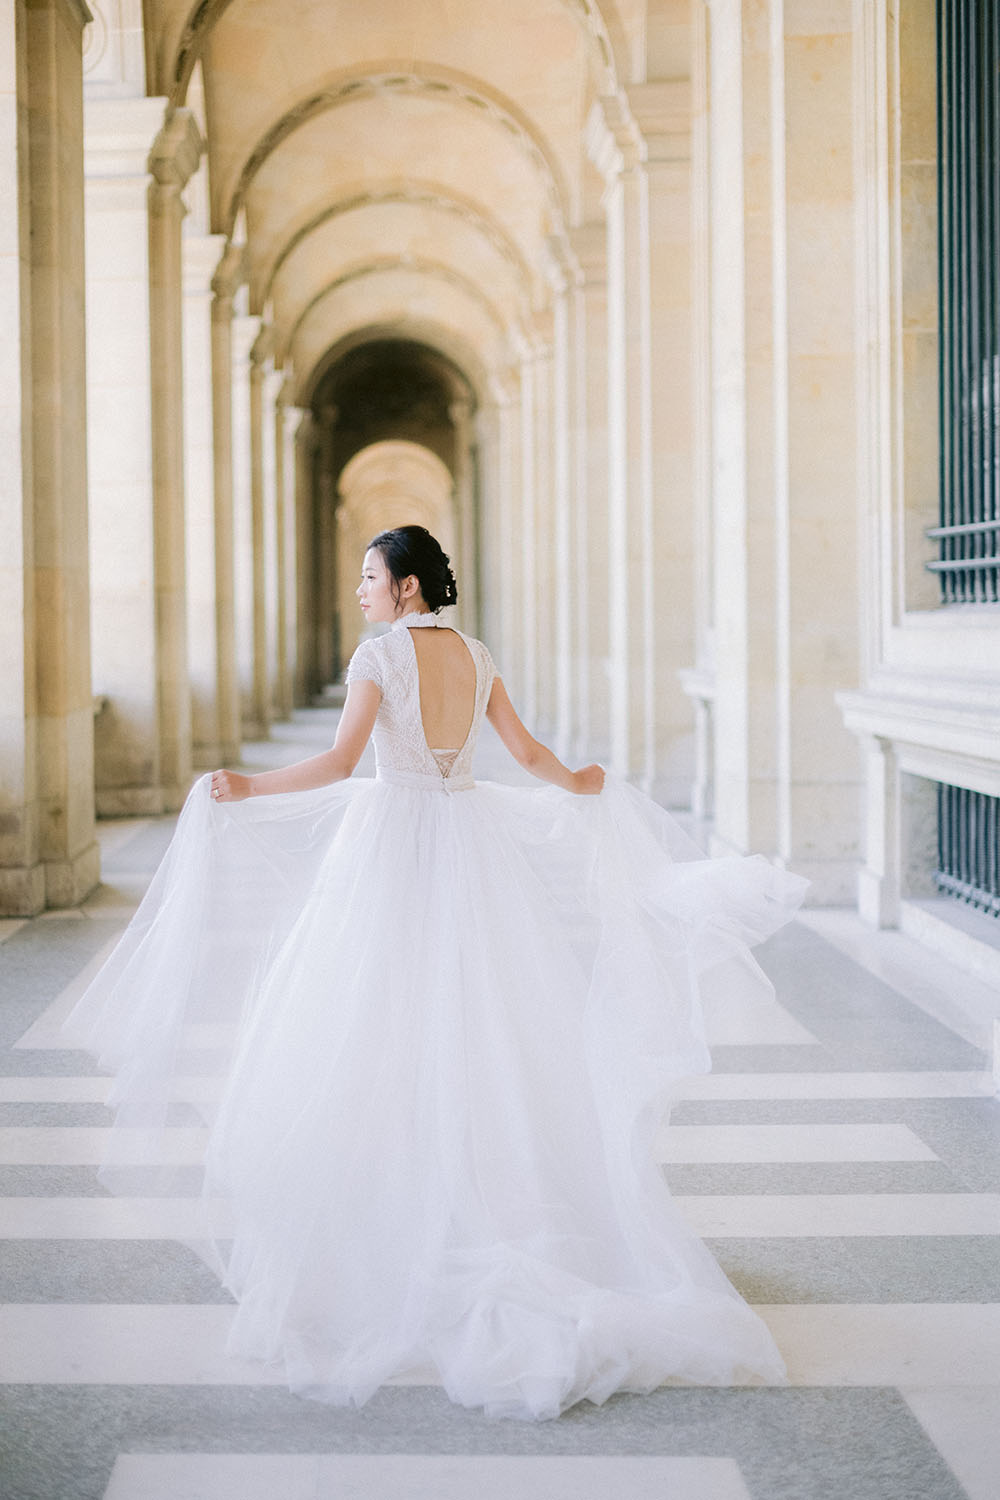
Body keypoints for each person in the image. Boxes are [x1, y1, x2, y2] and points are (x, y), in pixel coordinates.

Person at [65, 524, 807, 1422]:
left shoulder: (380, 657)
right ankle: (486, 1207)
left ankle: (392, 1229)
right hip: (469, 850)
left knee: (376, 1027)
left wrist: (245, 786)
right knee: (483, 1029)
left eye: (372, 578)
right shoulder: (477, 652)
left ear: (408, 588)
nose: (363, 592)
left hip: (391, 850)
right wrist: (585, 783)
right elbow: (530, 758)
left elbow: (342, 764)